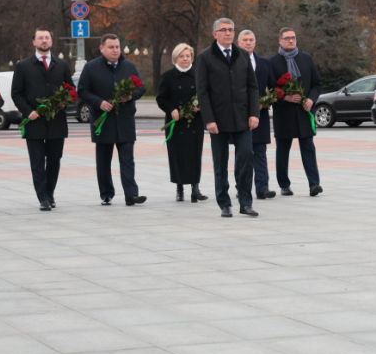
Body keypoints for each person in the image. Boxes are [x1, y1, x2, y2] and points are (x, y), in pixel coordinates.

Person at [195, 17, 259, 218]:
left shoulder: (242, 55)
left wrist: (254, 113)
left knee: (246, 157)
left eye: (231, 29)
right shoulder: (205, 57)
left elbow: (252, 87)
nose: (228, 33)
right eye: (223, 30)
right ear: (215, 34)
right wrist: (209, 119)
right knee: (220, 162)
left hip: (242, 118)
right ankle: (224, 202)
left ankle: (245, 201)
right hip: (218, 120)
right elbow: (202, 91)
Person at [77, 33, 147, 205]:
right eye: (111, 47)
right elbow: (82, 91)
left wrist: (130, 96)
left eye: (117, 47)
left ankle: (131, 195)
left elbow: (141, 88)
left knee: (127, 160)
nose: (115, 50)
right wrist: (99, 102)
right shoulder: (91, 68)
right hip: (103, 121)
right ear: (102, 48)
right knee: (103, 160)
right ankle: (106, 193)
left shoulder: (129, 66)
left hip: (125, 120)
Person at [11, 28, 75, 211]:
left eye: (47, 38)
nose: (44, 41)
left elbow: (70, 90)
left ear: (52, 41)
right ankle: (43, 198)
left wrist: (64, 103)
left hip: (56, 122)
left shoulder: (62, 65)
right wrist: (28, 111)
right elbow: (16, 94)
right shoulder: (23, 66)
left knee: (55, 160)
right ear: (34, 42)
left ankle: (50, 193)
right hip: (34, 121)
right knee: (37, 161)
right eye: (40, 38)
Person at [268, 28, 324, 197]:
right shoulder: (273, 62)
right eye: (287, 38)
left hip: (303, 111)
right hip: (283, 113)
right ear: (280, 41)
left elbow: (317, 84)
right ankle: (284, 185)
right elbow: (270, 88)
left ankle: (314, 184)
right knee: (283, 150)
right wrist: (284, 97)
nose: (291, 41)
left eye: (293, 38)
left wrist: (311, 100)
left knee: (308, 147)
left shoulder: (306, 59)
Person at [156, 43, 207, 202]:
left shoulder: (199, 75)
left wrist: (200, 106)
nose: (185, 59)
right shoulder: (168, 76)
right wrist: (171, 110)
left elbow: (205, 95)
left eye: (188, 56)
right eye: (182, 56)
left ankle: (195, 187)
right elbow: (161, 98)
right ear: (175, 58)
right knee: (177, 155)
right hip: (176, 122)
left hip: (194, 122)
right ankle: (179, 187)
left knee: (194, 154)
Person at [239, 29, 276, 199]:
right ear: (239, 43)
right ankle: (242, 188)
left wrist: (266, 101)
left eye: (251, 39)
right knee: (244, 154)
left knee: (260, 152)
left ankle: (263, 187)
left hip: (260, 115)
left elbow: (275, 90)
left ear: (255, 42)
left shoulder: (264, 63)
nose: (248, 42)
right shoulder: (233, 63)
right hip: (240, 116)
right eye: (245, 40)